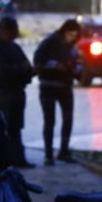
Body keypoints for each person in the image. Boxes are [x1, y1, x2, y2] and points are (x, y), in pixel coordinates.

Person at [0, 16, 36, 168]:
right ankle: (4, 160)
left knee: (16, 128)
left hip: (17, 92)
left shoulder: (14, 47)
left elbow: (27, 66)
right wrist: (20, 69)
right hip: (2, 94)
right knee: (4, 129)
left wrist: (29, 72)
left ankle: (18, 159)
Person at [33, 18, 81, 165]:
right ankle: (49, 155)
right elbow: (38, 59)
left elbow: (78, 63)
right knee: (50, 121)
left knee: (68, 119)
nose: (72, 38)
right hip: (48, 86)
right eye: (70, 35)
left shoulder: (72, 47)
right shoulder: (50, 42)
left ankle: (64, 151)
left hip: (65, 87)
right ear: (64, 32)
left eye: (75, 36)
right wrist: (55, 65)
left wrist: (76, 70)